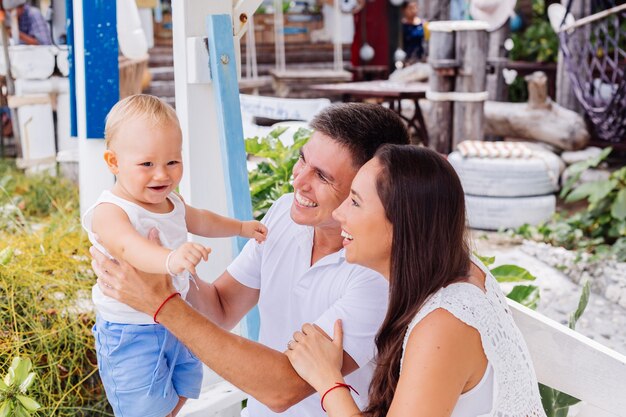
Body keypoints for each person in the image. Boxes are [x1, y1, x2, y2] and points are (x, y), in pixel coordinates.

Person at [90, 102, 410, 417]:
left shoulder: (378, 274)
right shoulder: (287, 212)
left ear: (370, 189)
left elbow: (283, 389)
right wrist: (168, 261)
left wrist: (160, 302)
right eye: (302, 160)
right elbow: (221, 308)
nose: (298, 181)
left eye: (322, 177)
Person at [285, 145, 548, 417]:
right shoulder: (455, 269)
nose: (339, 213)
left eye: (355, 202)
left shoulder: (445, 322)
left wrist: (328, 380)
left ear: (402, 224)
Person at [83, 94, 267, 417]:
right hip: (131, 333)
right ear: (113, 162)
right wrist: (170, 258)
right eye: (147, 164)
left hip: (176, 319)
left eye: (172, 162)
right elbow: (129, 247)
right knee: (145, 408)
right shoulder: (110, 211)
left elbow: (203, 220)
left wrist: (240, 227)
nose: (162, 175)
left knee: (183, 387)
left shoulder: (173, 203)